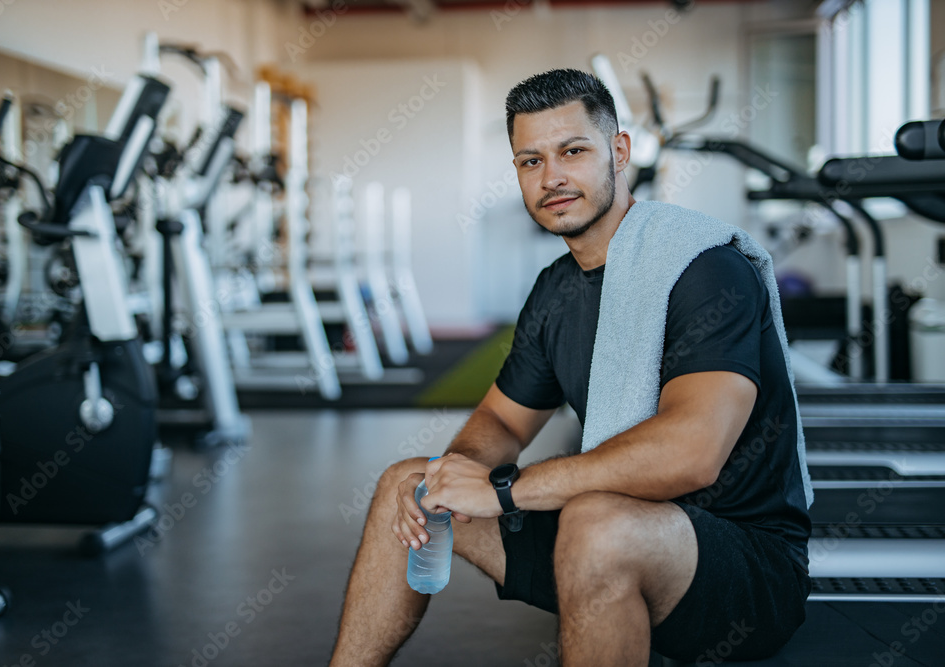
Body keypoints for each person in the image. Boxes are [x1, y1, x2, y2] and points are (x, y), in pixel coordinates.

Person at [328, 69, 812, 667]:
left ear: (619, 151)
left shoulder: (703, 268)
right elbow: (502, 422)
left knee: (597, 523)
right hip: (606, 533)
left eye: (572, 151)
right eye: (529, 161)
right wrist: (459, 475)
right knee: (406, 482)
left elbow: (692, 451)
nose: (551, 177)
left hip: (743, 569)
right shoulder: (555, 290)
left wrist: (504, 492)